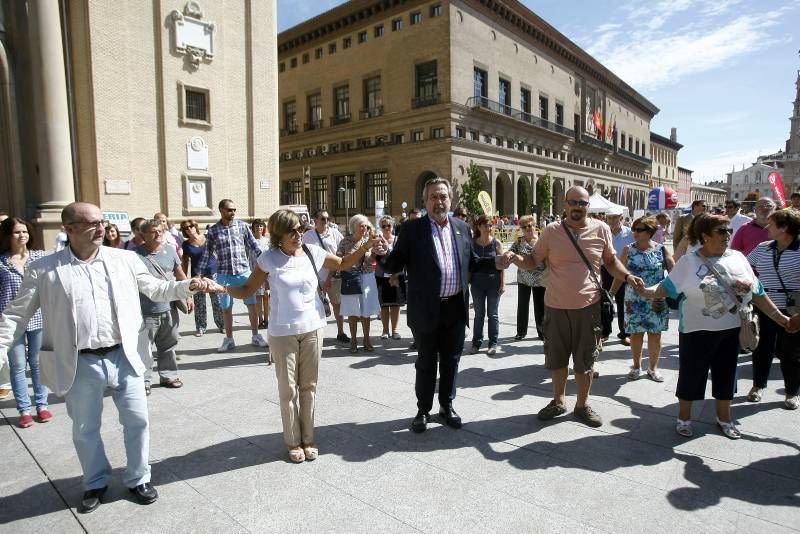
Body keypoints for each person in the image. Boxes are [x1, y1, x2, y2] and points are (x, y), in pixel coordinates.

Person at [0, 202, 221, 513]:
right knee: (85, 428)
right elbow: (16, 315)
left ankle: (138, 478)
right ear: (70, 229)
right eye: (91, 223)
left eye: (102, 221)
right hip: (79, 361)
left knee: (138, 420)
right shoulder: (44, 269)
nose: (100, 227)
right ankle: (95, 482)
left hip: (125, 355)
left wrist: (189, 285)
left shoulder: (125, 259)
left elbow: (157, 289)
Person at [226, 209, 381, 462]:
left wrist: (365, 245)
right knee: (288, 390)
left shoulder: (312, 252)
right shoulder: (269, 259)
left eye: (300, 229)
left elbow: (342, 263)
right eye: (292, 231)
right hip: (282, 333)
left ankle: (308, 438)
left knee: (308, 386)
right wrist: (221, 287)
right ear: (278, 235)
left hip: (312, 328)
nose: (298, 234)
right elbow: (246, 290)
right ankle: (292, 441)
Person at [498, 186, 644, 428]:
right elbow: (534, 260)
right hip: (555, 306)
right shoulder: (552, 231)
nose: (578, 207)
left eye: (582, 203)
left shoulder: (601, 229)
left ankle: (582, 405)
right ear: (564, 204)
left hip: (589, 307)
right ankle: (558, 401)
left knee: (585, 360)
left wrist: (628, 277)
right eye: (573, 202)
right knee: (557, 358)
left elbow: (610, 262)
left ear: (588, 206)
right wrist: (514, 259)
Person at [635, 213, 790, 439]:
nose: (727, 235)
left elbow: (758, 293)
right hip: (696, 331)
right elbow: (665, 288)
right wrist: (644, 290)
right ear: (705, 236)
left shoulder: (738, 257)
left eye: (729, 230)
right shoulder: (689, 262)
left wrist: (781, 319)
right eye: (721, 231)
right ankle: (684, 418)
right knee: (691, 375)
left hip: (731, 330)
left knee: (727, 375)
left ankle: (724, 418)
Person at [382, 177, 475, 433]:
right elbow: (394, 264)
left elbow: (472, 262)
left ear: (451, 199)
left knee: (451, 361)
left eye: (443, 196)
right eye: (433, 197)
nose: (439, 201)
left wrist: (496, 262)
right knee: (425, 362)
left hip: (455, 307)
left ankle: (447, 405)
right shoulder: (413, 230)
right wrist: (381, 254)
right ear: (425, 201)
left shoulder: (461, 227)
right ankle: (423, 409)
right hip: (426, 309)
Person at [745, 208, 800, 410]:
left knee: (791, 352)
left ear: (785, 227)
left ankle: (792, 392)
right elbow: (745, 268)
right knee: (761, 348)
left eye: (772, 223)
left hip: (793, 311)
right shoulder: (763, 247)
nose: (767, 227)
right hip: (765, 306)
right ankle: (758, 386)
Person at [610, 216, 673, 381]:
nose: (635, 232)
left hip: (656, 299)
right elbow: (619, 275)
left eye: (639, 229)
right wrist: (609, 295)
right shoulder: (627, 250)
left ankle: (653, 368)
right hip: (634, 300)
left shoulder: (661, 250)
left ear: (650, 232)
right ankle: (636, 366)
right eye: (634, 229)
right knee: (636, 334)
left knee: (655, 335)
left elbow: (674, 275)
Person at [0, 217, 50, 428]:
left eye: (25, 231)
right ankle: (24, 410)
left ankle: (42, 405)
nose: (22, 236)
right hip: (11, 321)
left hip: (38, 318)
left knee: (38, 363)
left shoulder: (39, 258)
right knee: (18, 366)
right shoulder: (1, 262)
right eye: (17, 232)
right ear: (8, 236)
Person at [198, 199, 267, 352]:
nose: (233, 213)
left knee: (252, 305)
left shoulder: (242, 226)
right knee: (226, 308)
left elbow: (254, 246)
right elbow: (207, 253)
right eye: (229, 210)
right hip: (224, 275)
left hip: (244, 273)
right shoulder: (213, 231)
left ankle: (256, 336)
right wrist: (198, 273)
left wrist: (268, 262)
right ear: (221, 210)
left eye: (234, 210)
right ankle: (229, 339)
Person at [135, 219, 192, 394]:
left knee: (169, 343)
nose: (158, 234)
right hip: (147, 310)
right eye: (153, 231)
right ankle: (143, 381)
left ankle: (169, 375)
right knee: (144, 348)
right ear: (143, 235)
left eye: (160, 230)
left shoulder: (170, 250)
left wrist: (188, 295)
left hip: (169, 308)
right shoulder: (135, 256)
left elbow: (179, 273)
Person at [303, 210, 349, 343]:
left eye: (327, 219)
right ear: (315, 220)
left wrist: (329, 278)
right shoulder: (308, 235)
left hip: (334, 276)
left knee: (337, 305)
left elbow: (341, 253)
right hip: (315, 278)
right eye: (323, 219)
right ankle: (314, 334)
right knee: (315, 306)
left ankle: (341, 332)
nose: (326, 221)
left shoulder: (334, 233)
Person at [337, 214, 381, 353]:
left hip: (367, 277)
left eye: (366, 226)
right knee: (352, 311)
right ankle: (354, 340)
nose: (364, 228)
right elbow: (339, 260)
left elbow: (372, 260)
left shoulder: (369, 241)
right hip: (351, 278)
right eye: (361, 225)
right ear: (353, 226)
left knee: (366, 312)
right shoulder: (345, 242)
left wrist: (375, 253)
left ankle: (367, 339)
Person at [180, 219, 224, 336]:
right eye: (185, 228)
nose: (189, 229)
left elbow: (219, 252)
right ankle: (200, 327)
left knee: (217, 301)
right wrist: (184, 279)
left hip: (213, 273)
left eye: (190, 226)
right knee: (199, 303)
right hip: (197, 276)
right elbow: (184, 263)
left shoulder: (207, 237)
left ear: (195, 226)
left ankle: (222, 325)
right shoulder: (186, 244)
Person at [469, 214, 504, 355]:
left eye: (490, 225)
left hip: (493, 282)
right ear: (479, 226)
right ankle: (476, 343)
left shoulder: (497, 243)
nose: (488, 228)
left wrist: (503, 284)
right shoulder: (472, 242)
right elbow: (469, 265)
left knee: (493, 314)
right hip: (477, 283)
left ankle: (493, 343)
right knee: (479, 314)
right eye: (485, 225)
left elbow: (501, 265)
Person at [510, 215, 547, 341]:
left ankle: (542, 332)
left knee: (540, 306)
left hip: (540, 278)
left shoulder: (542, 240)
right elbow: (511, 252)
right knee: (522, 305)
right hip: (523, 278)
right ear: (521, 229)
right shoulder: (519, 241)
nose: (528, 229)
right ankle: (521, 331)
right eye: (524, 227)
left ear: (534, 225)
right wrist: (508, 255)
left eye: (529, 225)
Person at [602, 206, 634, 345]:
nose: (612, 220)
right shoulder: (603, 232)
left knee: (623, 302)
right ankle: (604, 331)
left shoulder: (630, 233)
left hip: (623, 270)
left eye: (615, 217)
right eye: (609, 217)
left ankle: (625, 333)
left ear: (621, 218)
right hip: (605, 269)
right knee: (605, 302)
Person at [374, 216, 405, 340]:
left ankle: (395, 330)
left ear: (392, 226)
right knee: (384, 305)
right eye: (383, 226)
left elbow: (402, 258)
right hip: (382, 276)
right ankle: (385, 330)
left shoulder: (398, 240)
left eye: (389, 225)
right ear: (380, 227)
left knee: (395, 305)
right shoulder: (377, 240)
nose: (386, 228)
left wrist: (395, 274)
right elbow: (375, 257)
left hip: (397, 276)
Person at [250, 219, 270, 330]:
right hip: (255, 272)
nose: (259, 228)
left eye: (261, 226)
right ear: (253, 228)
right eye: (257, 226)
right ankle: (260, 320)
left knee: (266, 296)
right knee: (258, 298)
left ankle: (267, 320)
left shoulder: (267, 241)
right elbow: (248, 257)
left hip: (267, 273)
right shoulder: (250, 241)